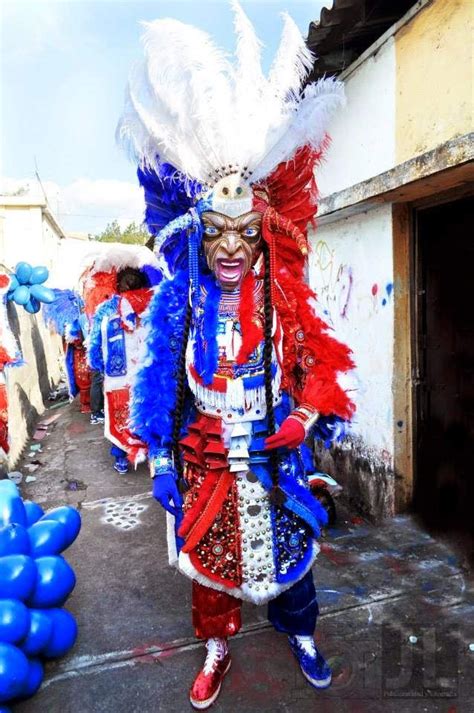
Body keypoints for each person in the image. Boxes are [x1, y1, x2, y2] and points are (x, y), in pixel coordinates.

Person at [119, 5, 355, 709]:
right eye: (215, 232)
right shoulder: (179, 301)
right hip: (207, 455)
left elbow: (316, 363)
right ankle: (217, 645)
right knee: (208, 567)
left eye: (241, 233)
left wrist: (305, 416)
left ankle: (301, 632)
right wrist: (162, 459)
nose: (228, 247)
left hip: (277, 457)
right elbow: (160, 382)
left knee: (294, 561)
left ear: (262, 234)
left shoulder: (282, 294)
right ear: (197, 235)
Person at [87, 250, 161, 474]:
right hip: (149, 373)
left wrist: (100, 367)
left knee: (122, 416)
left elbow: (95, 347)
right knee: (151, 413)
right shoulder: (156, 303)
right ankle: (155, 456)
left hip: (118, 376)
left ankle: (121, 456)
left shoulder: (105, 310)